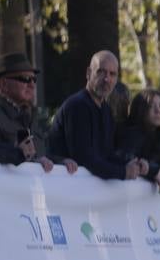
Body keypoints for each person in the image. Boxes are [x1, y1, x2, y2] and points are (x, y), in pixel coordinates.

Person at [46, 52, 148, 181]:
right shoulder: (77, 106)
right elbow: (84, 158)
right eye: (101, 72)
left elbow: (106, 155)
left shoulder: (106, 110)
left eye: (112, 74)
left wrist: (136, 164)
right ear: (88, 73)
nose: (107, 79)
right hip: (64, 187)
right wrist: (122, 172)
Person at [0, 52, 77, 173]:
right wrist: (20, 155)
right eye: (25, 79)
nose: (32, 84)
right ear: (3, 84)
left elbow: (40, 154)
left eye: (33, 79)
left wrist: (60, 162)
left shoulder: (31, 114)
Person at [115, 89, 160, 194]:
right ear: (139, 110)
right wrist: (152, 170)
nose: (158, 110)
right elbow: (125, 157)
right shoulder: (132, 133)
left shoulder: (156, 136)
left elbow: (157, 159)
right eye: (150, 106)